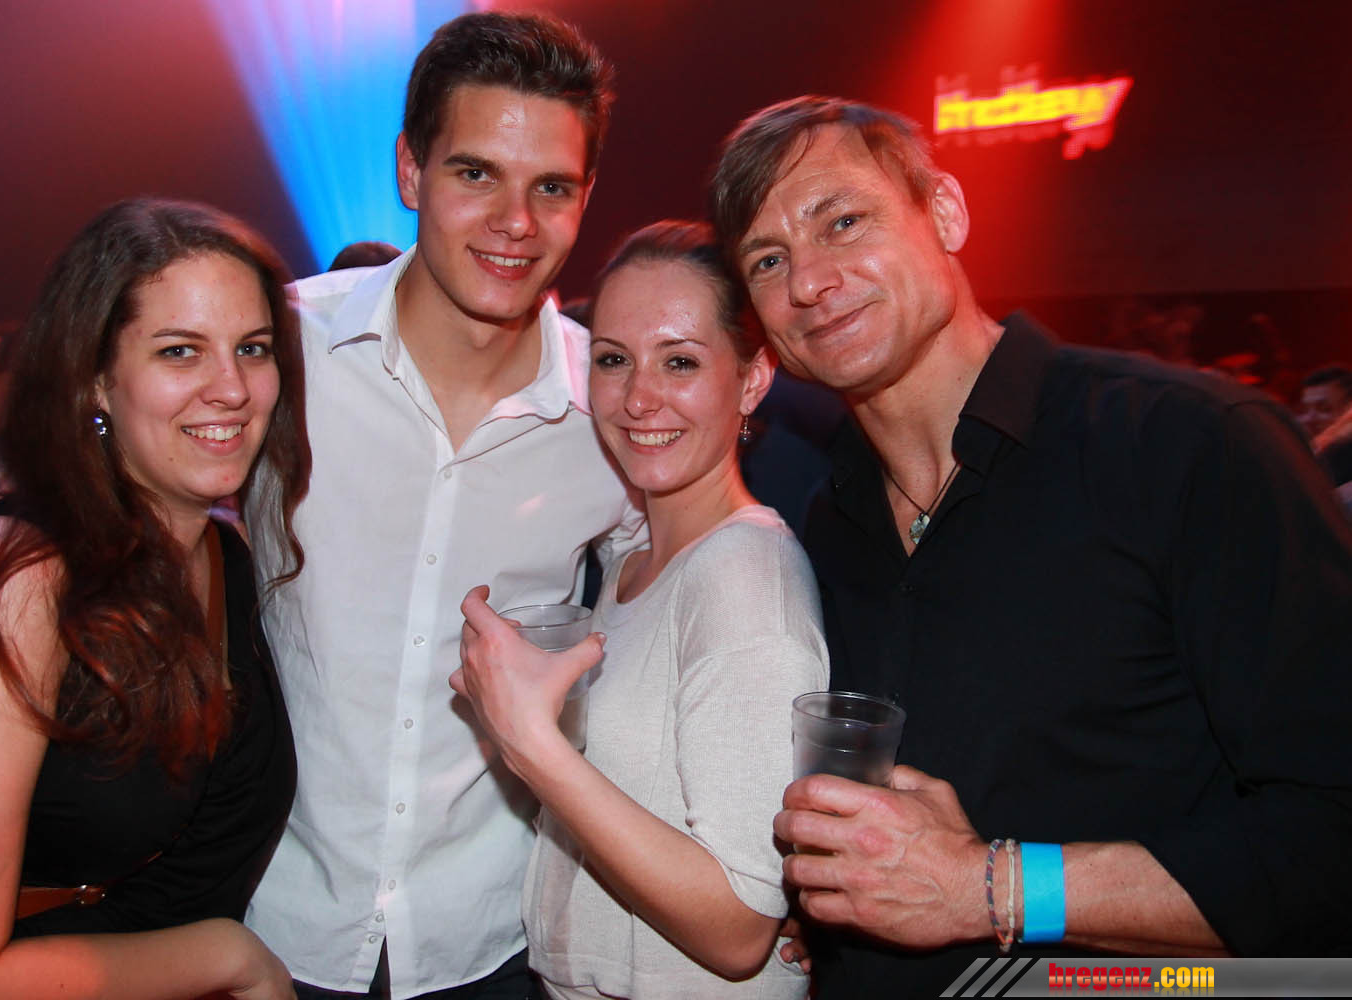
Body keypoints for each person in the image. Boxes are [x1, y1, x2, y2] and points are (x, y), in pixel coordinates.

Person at [706, 97, 1352, 996]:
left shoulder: (1189, 447)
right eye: (768, 260)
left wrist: (993, 888)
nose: (809, 281)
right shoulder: (830, 516)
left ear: (945, 213)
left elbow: (1331, 836)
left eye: (843, 222)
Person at [242, 12, 643, 999]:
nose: (516, 222)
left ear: (585, 197)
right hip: (271, 923)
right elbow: (108, 497)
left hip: (492, 939)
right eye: (475, 173)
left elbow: (683, 610)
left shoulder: (615, 408)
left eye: (551, 187)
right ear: (410, 171)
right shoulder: (279, 351)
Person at [0, 198, 311, 998]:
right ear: (97, 380)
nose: (232, 388)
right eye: (180, 351)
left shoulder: (231, 557)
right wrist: (225, 955)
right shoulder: (9, 582)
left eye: (253, 348)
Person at [452, 221, 826, 999]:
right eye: (613, 360)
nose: (638, 398)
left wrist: (529, 740)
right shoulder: (632, 561)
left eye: (680, 361)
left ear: (752, 380)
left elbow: (739, 929)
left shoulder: (742, 575)